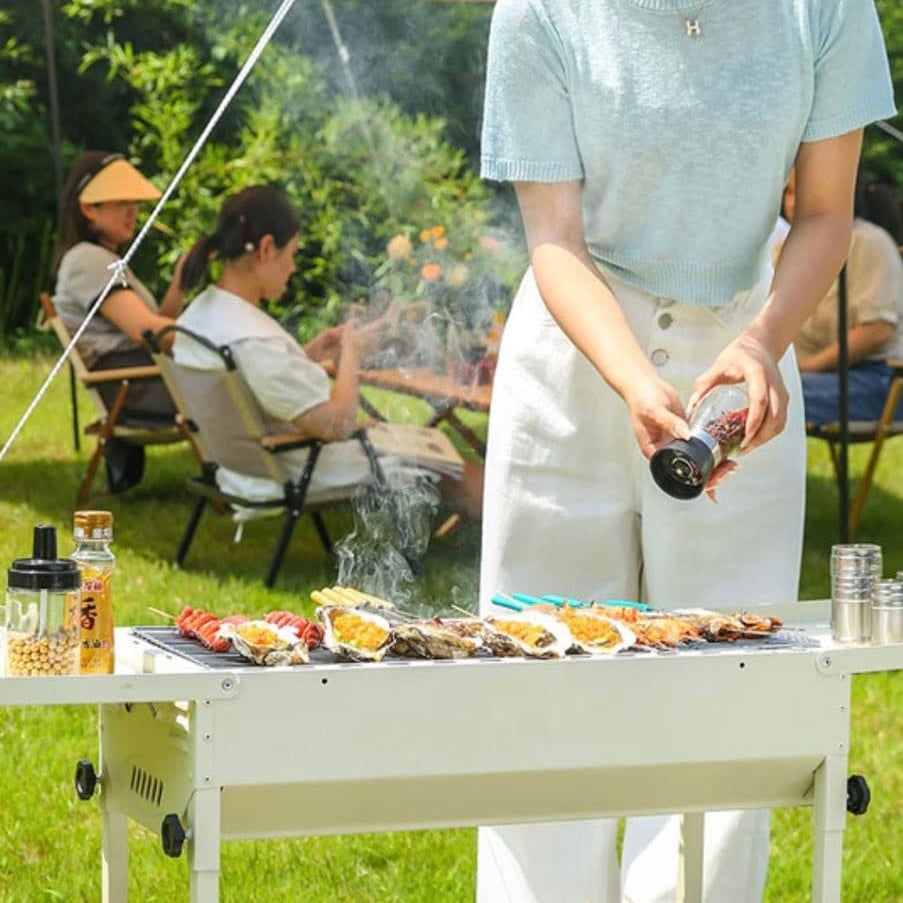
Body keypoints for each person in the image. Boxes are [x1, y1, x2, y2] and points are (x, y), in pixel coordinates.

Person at [477, 1, 895, 902]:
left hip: (744, 359)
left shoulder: (824, 9)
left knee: (725, 694)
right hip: (572, 357)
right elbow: (554, 240)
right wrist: (633, 380)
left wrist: (761, 343)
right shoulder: (540, 11)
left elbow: (826, 213)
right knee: (539, 685)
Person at [172, 185, 483, 519]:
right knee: (444, 462)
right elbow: (336, 425)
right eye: (292, 254)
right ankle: (508, 526)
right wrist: (352, 354)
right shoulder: (253, 339)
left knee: (424, 447)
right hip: (299, 468)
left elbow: (252, 385)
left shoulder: (199, 317)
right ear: (266, 249)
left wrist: (310, 352)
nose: (293, 267)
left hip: (245, 468)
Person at [52, 151, 186, 492]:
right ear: (88, 209)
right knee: (240, 383)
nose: (133, 211)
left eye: (134, 203)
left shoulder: (104, 259)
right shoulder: (87, 260)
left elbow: (159, 326)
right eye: (121, 202)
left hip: (144, 381)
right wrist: (220, 340)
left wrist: (180, 283)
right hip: (136, 390)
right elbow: (150, 334)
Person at [779, 168, 903, 424]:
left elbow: (876, 331)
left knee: (777, 397)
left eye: (802, 191)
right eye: (789, 192)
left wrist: (807, 367)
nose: (792, 202)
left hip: (877, 379)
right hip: (815, 378)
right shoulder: (783, 249)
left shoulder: (868, 241)